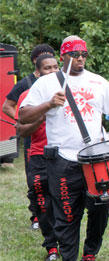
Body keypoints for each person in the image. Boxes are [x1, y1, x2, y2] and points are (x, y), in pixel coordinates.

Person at [18, 35, 109, 261]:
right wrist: (48, 105)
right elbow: (23, 116)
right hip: (63, 160)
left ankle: (90, 255)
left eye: (83, 54)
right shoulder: (46, 83)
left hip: (96, 161)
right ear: (63, 56)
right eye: (74, 54)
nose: (80, 59)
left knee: (101, 208)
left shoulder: (97, 82)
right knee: (66, 213)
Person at [2, 44, 55, 230]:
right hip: (33, 139)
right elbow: (7, 106)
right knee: (35, 180)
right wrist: (21, 120)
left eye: (53, 61)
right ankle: (36, 215)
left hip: (55, 141)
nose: (51, 69)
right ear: (36, 62)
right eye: (44, 61)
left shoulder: (59, 84)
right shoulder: (26, 84)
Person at [15, 54, 60, 261]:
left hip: (64, 156)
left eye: (55, 67)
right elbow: (22, 132)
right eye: (47, 68)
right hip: (39, 155)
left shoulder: (68, 91)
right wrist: (41, 116)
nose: (52, 72)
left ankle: (65, 242)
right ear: (38, 71)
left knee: (64, 202)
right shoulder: (27, 95)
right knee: (43, 203)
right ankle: (51, 246)